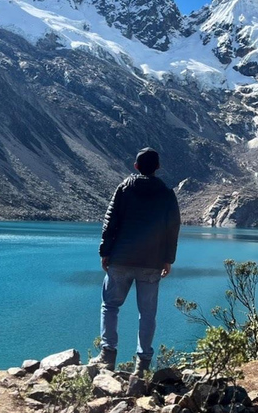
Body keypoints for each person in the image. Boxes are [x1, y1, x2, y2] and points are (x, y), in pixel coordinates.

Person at [90, 147, 180, 376]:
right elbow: (172, 228)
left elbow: (110, 222)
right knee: (147, 314)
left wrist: (105, 251)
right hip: (151, 263)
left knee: (110, 306)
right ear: (158, 168)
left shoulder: (124, 189)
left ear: (136, 166)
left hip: (121, 258)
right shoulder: (167, 194)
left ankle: (107, 355)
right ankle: (143, 365)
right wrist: (168, 258)